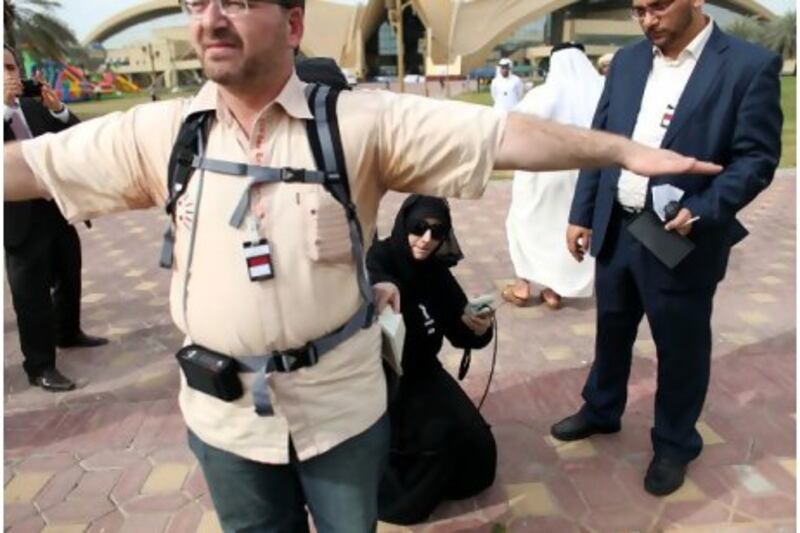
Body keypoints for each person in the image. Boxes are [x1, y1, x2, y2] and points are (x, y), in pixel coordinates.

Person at [3, 0, 722, 529]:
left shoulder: (355, 122)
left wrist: (621, 151)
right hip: (224, 419)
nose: (211, 19)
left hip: (339, 411)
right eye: (197, 2)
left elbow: (498, 134)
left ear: (292, 22)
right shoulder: (165, 133)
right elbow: (32, 164)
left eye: (237, 2)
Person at [552, 0, 782, 497]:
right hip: (618, 224)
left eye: (658, 6)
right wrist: (580, 212)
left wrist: (704, 208)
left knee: (680, 344)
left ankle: (676, 442)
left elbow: (757, 158)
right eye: (638, 10)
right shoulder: (630, 62)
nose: (648, 20)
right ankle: (602, 407)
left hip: (681, 234)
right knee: (611, 327)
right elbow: (601, 141)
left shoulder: (747, 66)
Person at [367, 195, 495, 524]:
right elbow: (373, 287)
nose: (426, 240)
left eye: (437, 233)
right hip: (380, 379)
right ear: (402, 224)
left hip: (423, 372)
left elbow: (459, 330)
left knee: (478, 449)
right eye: (418, 228)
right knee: (436, 442)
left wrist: (477, 329)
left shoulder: (436, 272)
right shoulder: (377, 260)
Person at [3, 44, 107, 393]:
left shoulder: (33, 107)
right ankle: (40, 365)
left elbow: (74, 140)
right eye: (3, 69)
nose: (10, 75)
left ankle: (69, 332)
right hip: (18, 218)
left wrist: (59, 110)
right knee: (31, 295)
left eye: (11, 67)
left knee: (68, 272)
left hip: (56, 208)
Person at [503, 42, 603, 309]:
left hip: (540, 174)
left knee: (524, 224)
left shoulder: (543, 94)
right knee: (563, 229)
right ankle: (553, 291)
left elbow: (512, 126)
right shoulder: (601, 93)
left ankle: (522, 285)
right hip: (580, 178)